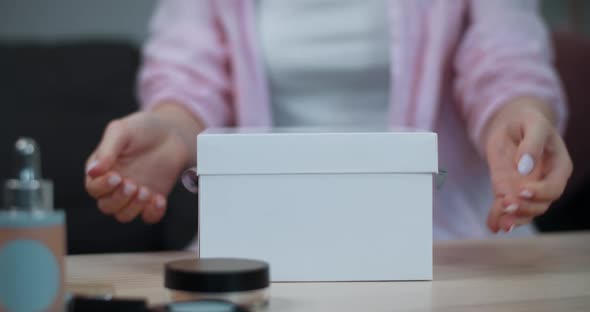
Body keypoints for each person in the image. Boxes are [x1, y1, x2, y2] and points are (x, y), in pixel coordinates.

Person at [84, 0, 572, 243]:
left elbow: (505, 59)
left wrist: (519, 117)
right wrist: (171, 130)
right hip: (268, 241)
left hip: (448, 242)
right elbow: (187, 75)